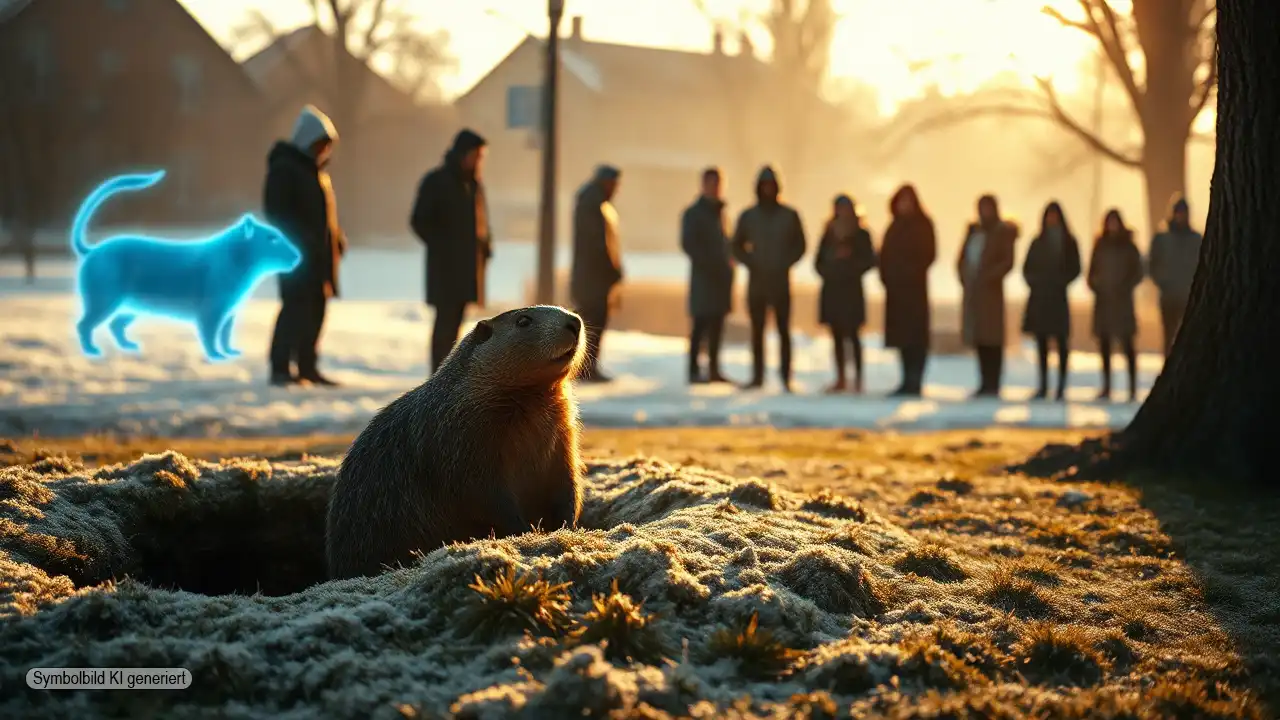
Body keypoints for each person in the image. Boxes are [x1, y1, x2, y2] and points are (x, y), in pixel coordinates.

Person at [265, 104, 347, 387]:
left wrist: (336, 239)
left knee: (315, 311)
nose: (325, 150)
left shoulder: (319, 174)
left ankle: (307, 366)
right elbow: (278, 212)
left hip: (320, 257)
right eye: (321, 144)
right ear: (308, 140)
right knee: (294, 309)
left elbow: (324, 216)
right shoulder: (285, 170)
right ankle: (280, 368)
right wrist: (301, 241)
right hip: (296, 257)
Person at [410, 129, 492, 374]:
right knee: (445, 323)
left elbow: (481, 223)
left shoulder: (474, 185)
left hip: (467, 267)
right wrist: (443, 246)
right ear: (462, 154)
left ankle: (448, 373)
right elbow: (419, 221)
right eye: (476, 155)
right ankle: (439, 375)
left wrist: (486, 247)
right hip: (445, 268)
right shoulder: (437, 182)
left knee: (456, 322)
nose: (478, 161)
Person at [731, 165, 806, 392]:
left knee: (783, 331)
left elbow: (800, 245)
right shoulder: (749, 216)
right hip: (757, 282)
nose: (767, 190)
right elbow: (735, 245)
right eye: (764, 186)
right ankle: (757, 376)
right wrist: (751, 262)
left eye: (770, 186)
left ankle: (785, 377)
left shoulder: (789, 216)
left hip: (780, 281)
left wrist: (785, 262)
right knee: (757, 331)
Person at [814, 195, 877, 393]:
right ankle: (840, 378)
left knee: (854, 336)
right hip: (832, 290)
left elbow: (870, 261)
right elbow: (818, 263)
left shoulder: (862, 234)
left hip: (852, 291)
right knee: (837, 336)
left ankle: (858, 379)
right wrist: (832, 263)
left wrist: (850, 262)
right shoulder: (828, 233)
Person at [956, 195, 1017, 398]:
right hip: (974, 293)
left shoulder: (1002, 233)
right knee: (980, 339)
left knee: (993, 340)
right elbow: (962, 259)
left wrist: (989, 276)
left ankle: (993, 382)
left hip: (991, 294)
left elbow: (1007, 261)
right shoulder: (974, 233)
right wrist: (965, 276)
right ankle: (984, 382)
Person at [1021, 201, 1082, 401]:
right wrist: (1035, 282)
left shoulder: (1068, 242)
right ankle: (1043, 385)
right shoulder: (1038, 242)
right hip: (1040, 298)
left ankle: (1061, 386)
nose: (1052, 219)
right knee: (1041, 343)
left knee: (1061, 342)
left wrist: (1061, 281)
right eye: (1049, 215)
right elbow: (1027, 268)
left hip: (1058, 297)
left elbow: (1075, 268)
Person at [879, 184, 936, 397]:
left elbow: (929, 254)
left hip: (915, 290)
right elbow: (884, 255)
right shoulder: (894, 226)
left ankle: (915, 381)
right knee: (901, 339)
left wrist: (910, 272)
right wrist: (887, 277)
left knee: (916, 339)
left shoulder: (923, 225)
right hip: (896, 292)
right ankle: (905, 380)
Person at [570, 165, 624, 382]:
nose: (616, 189)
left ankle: (587, 366)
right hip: (593, 279)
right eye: (614, 184)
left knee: (593, 322)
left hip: (593, 277)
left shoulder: (596, 203)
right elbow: (597, 244)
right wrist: (611, 269)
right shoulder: (592, 205)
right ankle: (585, 368)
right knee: (592, 322)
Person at [680, 167, 734, 384]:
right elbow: (689, 244)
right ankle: (694, 371)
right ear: (703, 184)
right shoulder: (693, 213)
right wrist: (710, 263)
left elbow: (727, 244)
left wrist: (729, 263)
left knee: (717, 325)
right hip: (704, 278)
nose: (715, 188)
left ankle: (714, 369)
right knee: (700, 325)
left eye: (718, 184)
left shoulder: (722, 213)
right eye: (711, 183)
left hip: (721, 279)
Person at [1087, 208, 1145, 402]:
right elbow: (1092, 271)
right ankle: (1106, 387)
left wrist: (1125, 286)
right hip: (1104, 301)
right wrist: (1096, 285)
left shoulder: (1128, 246)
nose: (1112, 226)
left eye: (1115, 222)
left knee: (1128, 345)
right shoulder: (1100, 245)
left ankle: (1132, 388)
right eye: (1109, 222)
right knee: (1104, 346)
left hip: (1122, 302)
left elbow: (1138, 271)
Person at [1148, 194, 1202, 357]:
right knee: (1169, 337)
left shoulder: (1196, 240)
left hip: (1189, 297)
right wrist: (1162, 281)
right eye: (1178, 212)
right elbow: (1152, 264)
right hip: (1169, 296)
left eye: (1183, 212)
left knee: (1189, 336)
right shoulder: (1161, 238)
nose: (1180, 216)